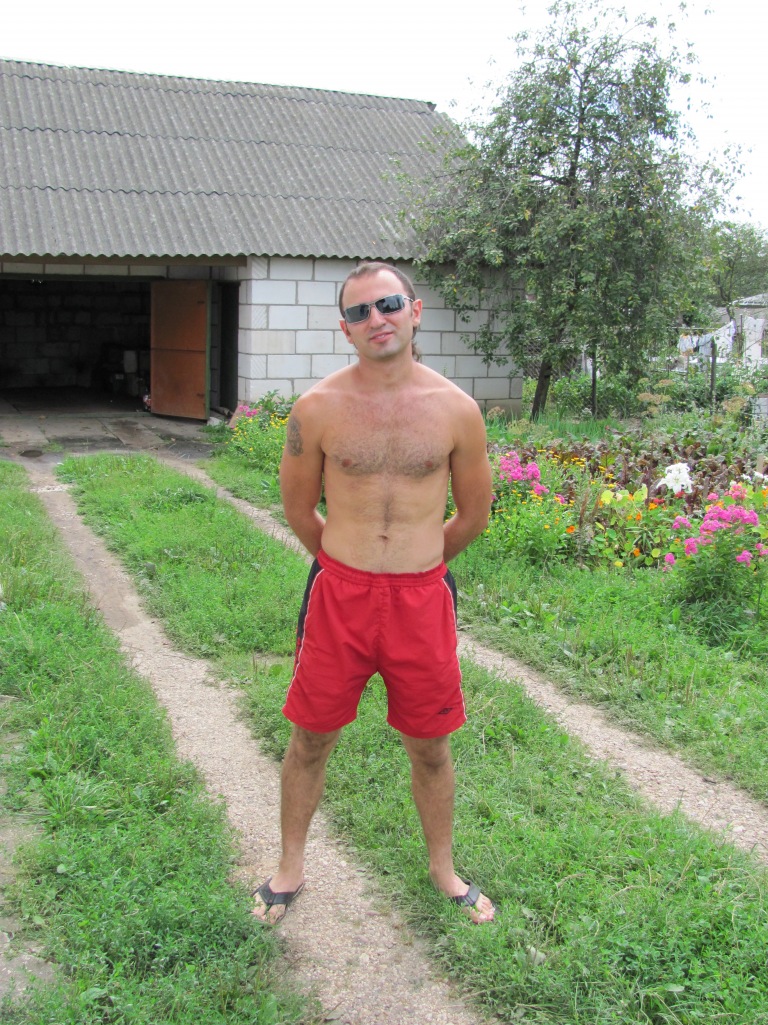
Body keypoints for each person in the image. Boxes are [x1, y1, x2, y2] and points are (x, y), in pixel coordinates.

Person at [252, 261, 495, 925]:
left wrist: (418, 564)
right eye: (359, 312)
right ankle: (289, 866)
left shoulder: (458, 410)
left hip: (421, 600)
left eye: (387, 304)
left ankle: (443, 868)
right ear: (345, 330)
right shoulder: (317, 409)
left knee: (431, 745)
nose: (375, 319)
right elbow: (300, 509)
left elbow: (474, 513)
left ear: (414, 311)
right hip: (341, 597)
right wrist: (350, 564)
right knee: (310, 737)